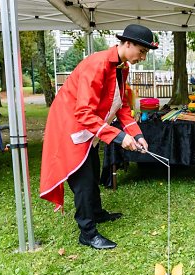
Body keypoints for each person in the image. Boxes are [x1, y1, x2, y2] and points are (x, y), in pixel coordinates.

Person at [39, 24, 158, 250]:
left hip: (90, 128)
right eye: (142, 51)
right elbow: (83, 112)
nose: (143, 57)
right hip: (71, 128)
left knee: (92, 171)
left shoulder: (122, 69)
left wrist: (137, 135)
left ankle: (97, 212)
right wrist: (118, 136)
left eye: (145, 53)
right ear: (128, 43)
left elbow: (121, 107)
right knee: (83, 181)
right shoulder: (97, 64)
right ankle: (87, 233)